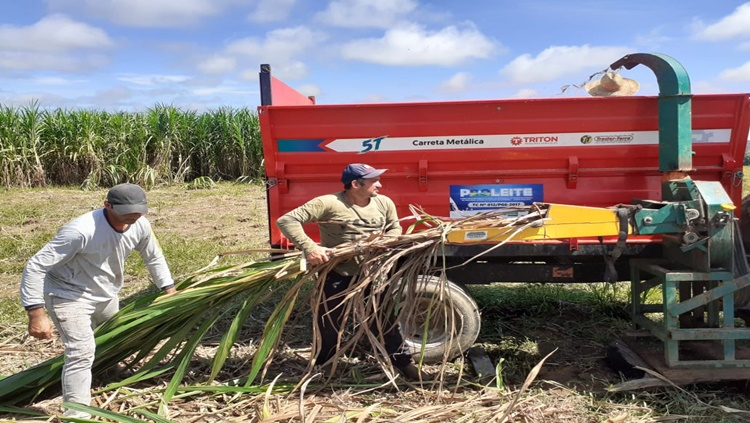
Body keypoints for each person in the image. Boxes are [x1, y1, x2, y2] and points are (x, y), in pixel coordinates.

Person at [20, 183, 176, 418]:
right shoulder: (81, 231)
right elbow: (35, 266)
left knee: (116, 336)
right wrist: (36, 313)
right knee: (81, 351)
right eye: (127, 212)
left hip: (106, 293)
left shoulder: (140, 224)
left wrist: (169, 288)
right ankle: (77, 414)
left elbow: (153, 257)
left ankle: (105, 373)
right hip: (68, 295)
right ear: (107, 205)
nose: (133, 216)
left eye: (139, 211)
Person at [276, 163, 428, 381]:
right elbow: (287, 220)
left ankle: (405, 365)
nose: (380, 184)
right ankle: (325, 366)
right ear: (356, 184)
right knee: (330, 323)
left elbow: (395, 227)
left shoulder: (384, 203)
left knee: (384, 321)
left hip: (372, 274)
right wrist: (310, 248)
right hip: (337, 273)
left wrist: (386, 242)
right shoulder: (328, 203)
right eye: (374, 181)